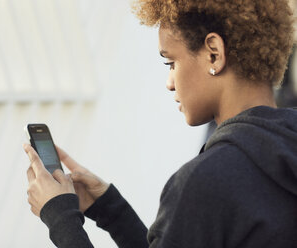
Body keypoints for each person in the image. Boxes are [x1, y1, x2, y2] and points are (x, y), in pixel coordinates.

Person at [24, 0, 297, 247]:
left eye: (171, 62)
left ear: (214, 53)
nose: (169, 83)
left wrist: (60, 217)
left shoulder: (204, 183)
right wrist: (111, 209)